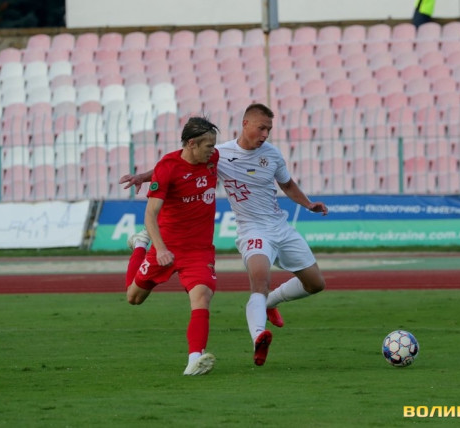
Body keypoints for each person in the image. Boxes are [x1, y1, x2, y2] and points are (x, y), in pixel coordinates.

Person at [120, 103, 328, 367]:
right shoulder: (220, 154)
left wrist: (308, 204)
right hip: (245, 232)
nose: (265, 134)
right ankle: (258, 335)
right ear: (245, 124)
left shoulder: (258, 155)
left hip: (269, 230)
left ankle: (262, 309)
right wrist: (143, 177)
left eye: (269, 129)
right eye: (261, 128)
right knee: (135, 298)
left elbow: (287, 184)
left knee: (315, 284)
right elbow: (171, 166)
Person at [124, 115, 220, 376]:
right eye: (208, 146)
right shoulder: (169, 166)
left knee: (202, 296)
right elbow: (150, 215)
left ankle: (194, 360)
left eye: (214, 146)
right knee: (133, 298)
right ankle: (140, 245)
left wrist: (143, 176)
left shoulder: (212, 158)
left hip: (199, 250)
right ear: (191, 144)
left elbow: (157, 173)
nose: (213, 151)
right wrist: (161, 249)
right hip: (165, 247)